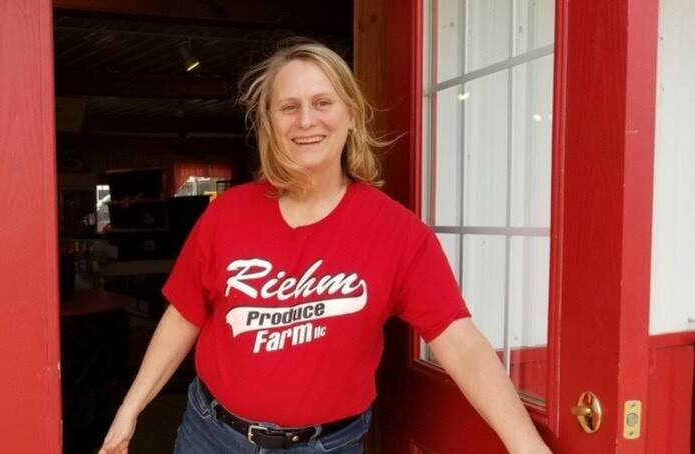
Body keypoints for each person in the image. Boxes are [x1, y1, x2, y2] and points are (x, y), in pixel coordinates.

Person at [98, 39, 552, 454]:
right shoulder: (227, 215)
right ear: (270, 123)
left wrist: (525, 445)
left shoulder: (397, 232)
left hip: (325, 447)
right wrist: (130, 409)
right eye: (288, 107)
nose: (306, 121)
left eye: (322, 102)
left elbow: (462, 344)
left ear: (351, 114)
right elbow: (184, 315)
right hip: (212, 436)